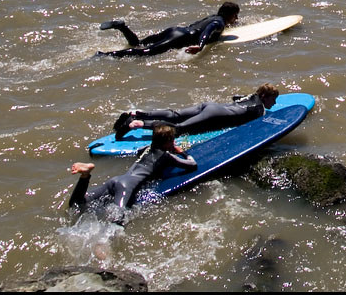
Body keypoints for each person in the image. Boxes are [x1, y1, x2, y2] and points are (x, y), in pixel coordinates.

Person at [68, 124, 196, 224]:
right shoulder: (166, 156)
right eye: (172, 141)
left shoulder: (146, 148)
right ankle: (104, 245)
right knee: (117, 220)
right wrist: (182, 152)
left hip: (116, 180)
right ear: (168, 142)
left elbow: (139, 152)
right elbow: (192, 165)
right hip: (125, 187)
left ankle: (85, 175)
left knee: (77, 203)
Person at [113, 84, 279, 139]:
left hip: (210, 106)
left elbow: (235, 97)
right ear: (264, 96)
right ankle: (138, 124)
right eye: (273, 99)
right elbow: (257, 126)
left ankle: (138, 113)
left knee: (175, 115)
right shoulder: (258, 109)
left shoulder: (250, 96)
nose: (275, 102)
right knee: (179, 129)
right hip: (215, 115)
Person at [96, 1, 240, 57]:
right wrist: (200, 46)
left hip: (175, 31)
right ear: (230, 15)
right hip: (181, 38)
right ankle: (105, 55)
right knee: (145, 52)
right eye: (236, 16)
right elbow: (209, 30)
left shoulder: (214, 16)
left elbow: (212, 24)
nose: (237, 19)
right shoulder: (218, 23)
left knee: (137, 43)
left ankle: (122, 26)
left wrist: (232, 24)